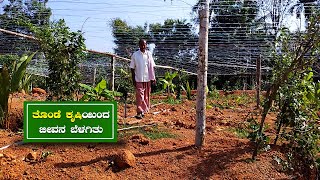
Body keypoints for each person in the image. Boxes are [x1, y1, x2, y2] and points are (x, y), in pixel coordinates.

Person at [130, 39, 156, 119]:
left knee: (146, 96)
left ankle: (143, 111)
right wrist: (133, 79)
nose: (143, 46)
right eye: (141, 45)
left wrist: (153, 78)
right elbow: (132, 68)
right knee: (139, 96)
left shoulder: (149, 54)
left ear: (146, 45)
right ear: (139, 45)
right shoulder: (135, 55)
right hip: (138, 79)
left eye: (144, 45)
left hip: (147, 78)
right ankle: (139, 112)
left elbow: (152, 67)